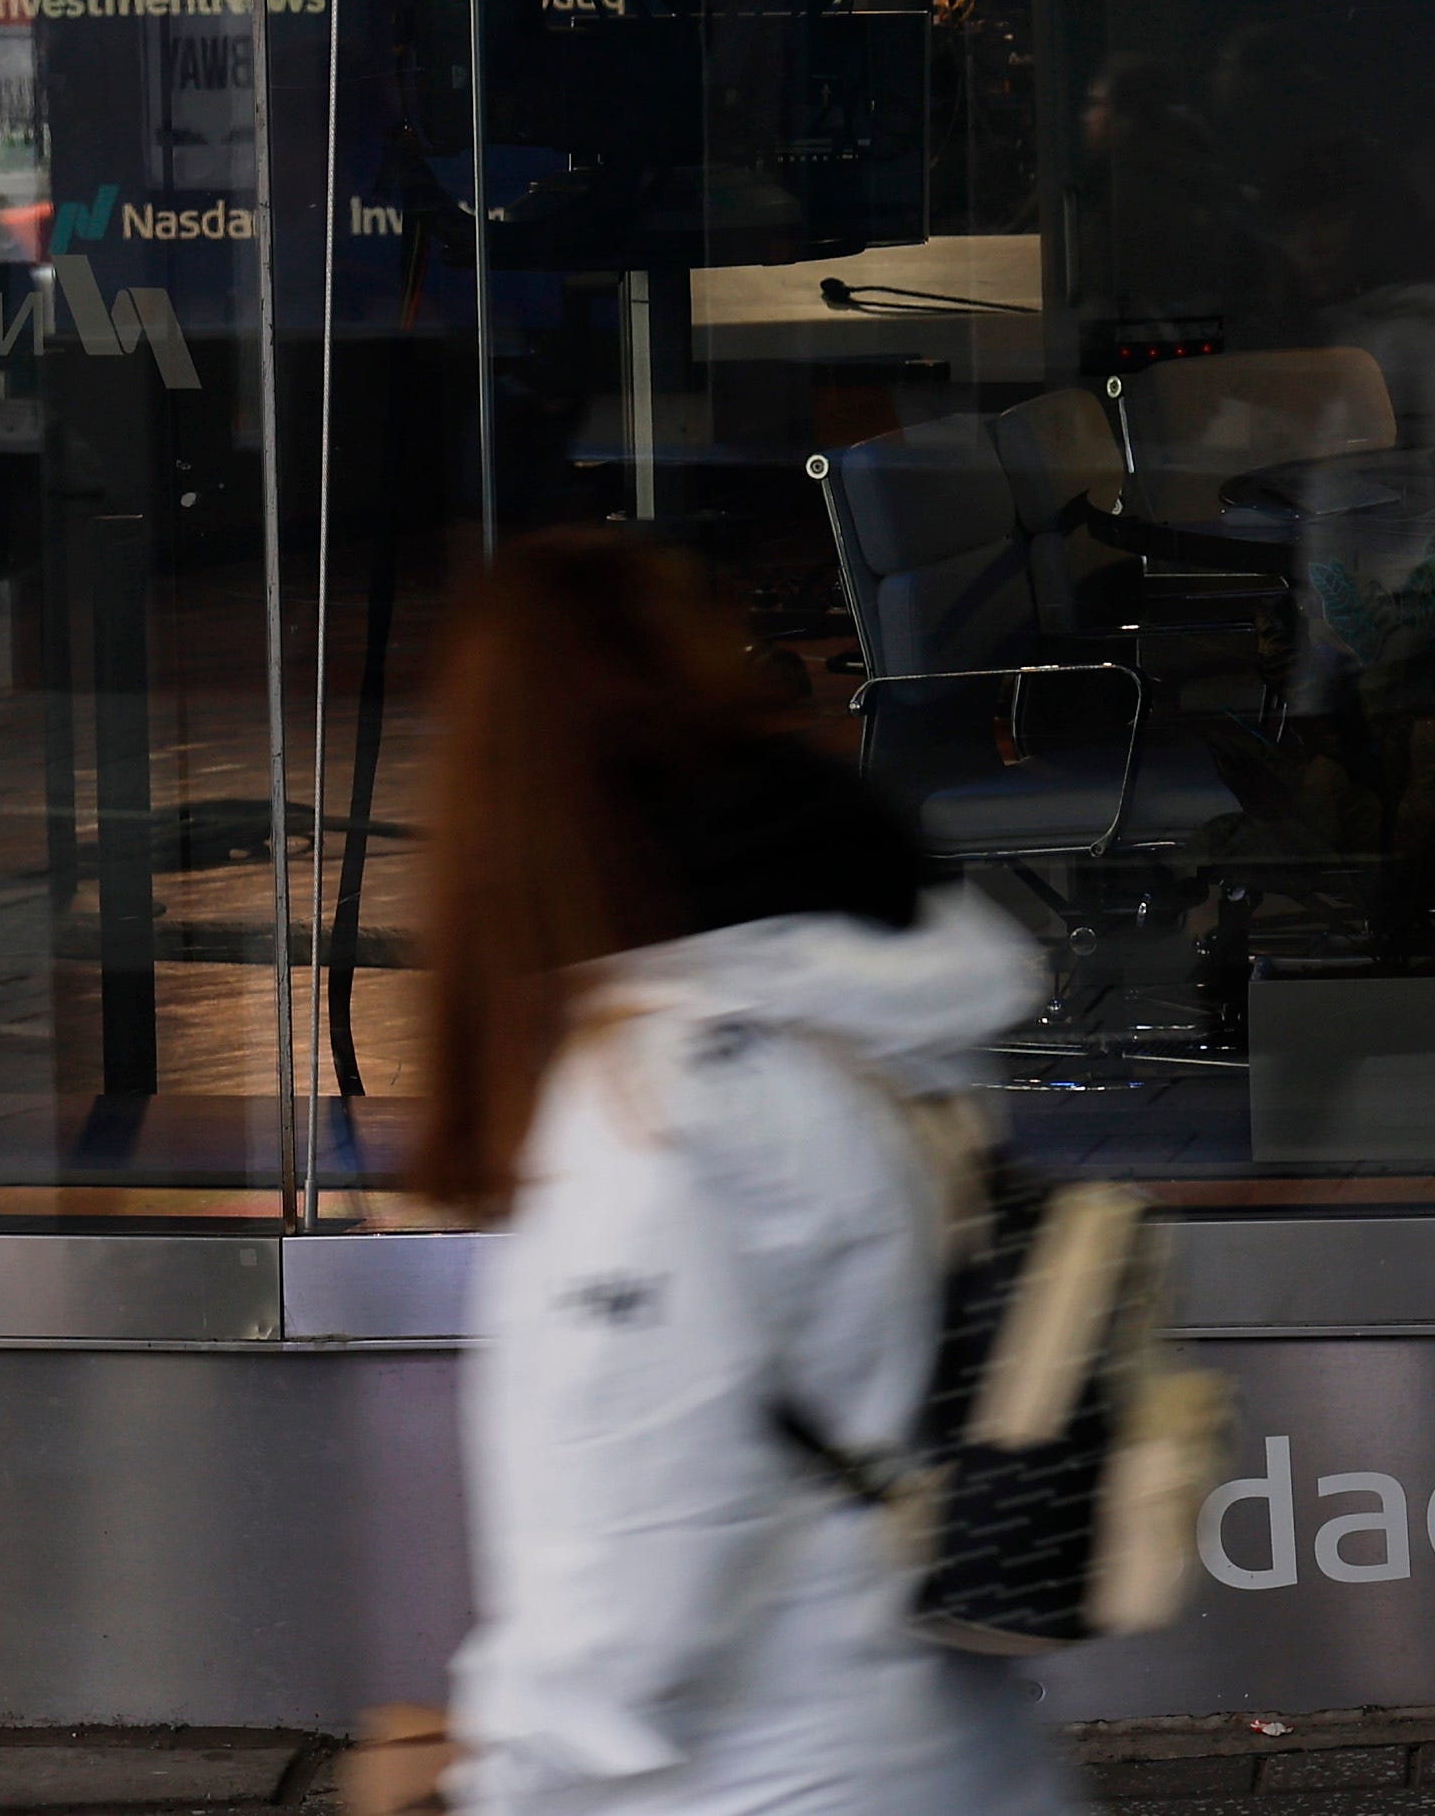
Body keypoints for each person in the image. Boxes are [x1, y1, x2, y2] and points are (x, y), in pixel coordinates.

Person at [410, 532, 1072, 1816]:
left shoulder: (654, 1110)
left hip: (750, 1775)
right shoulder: (865, 1015)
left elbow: (631, 1584)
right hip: (938, 1736)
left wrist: (499, 1767)